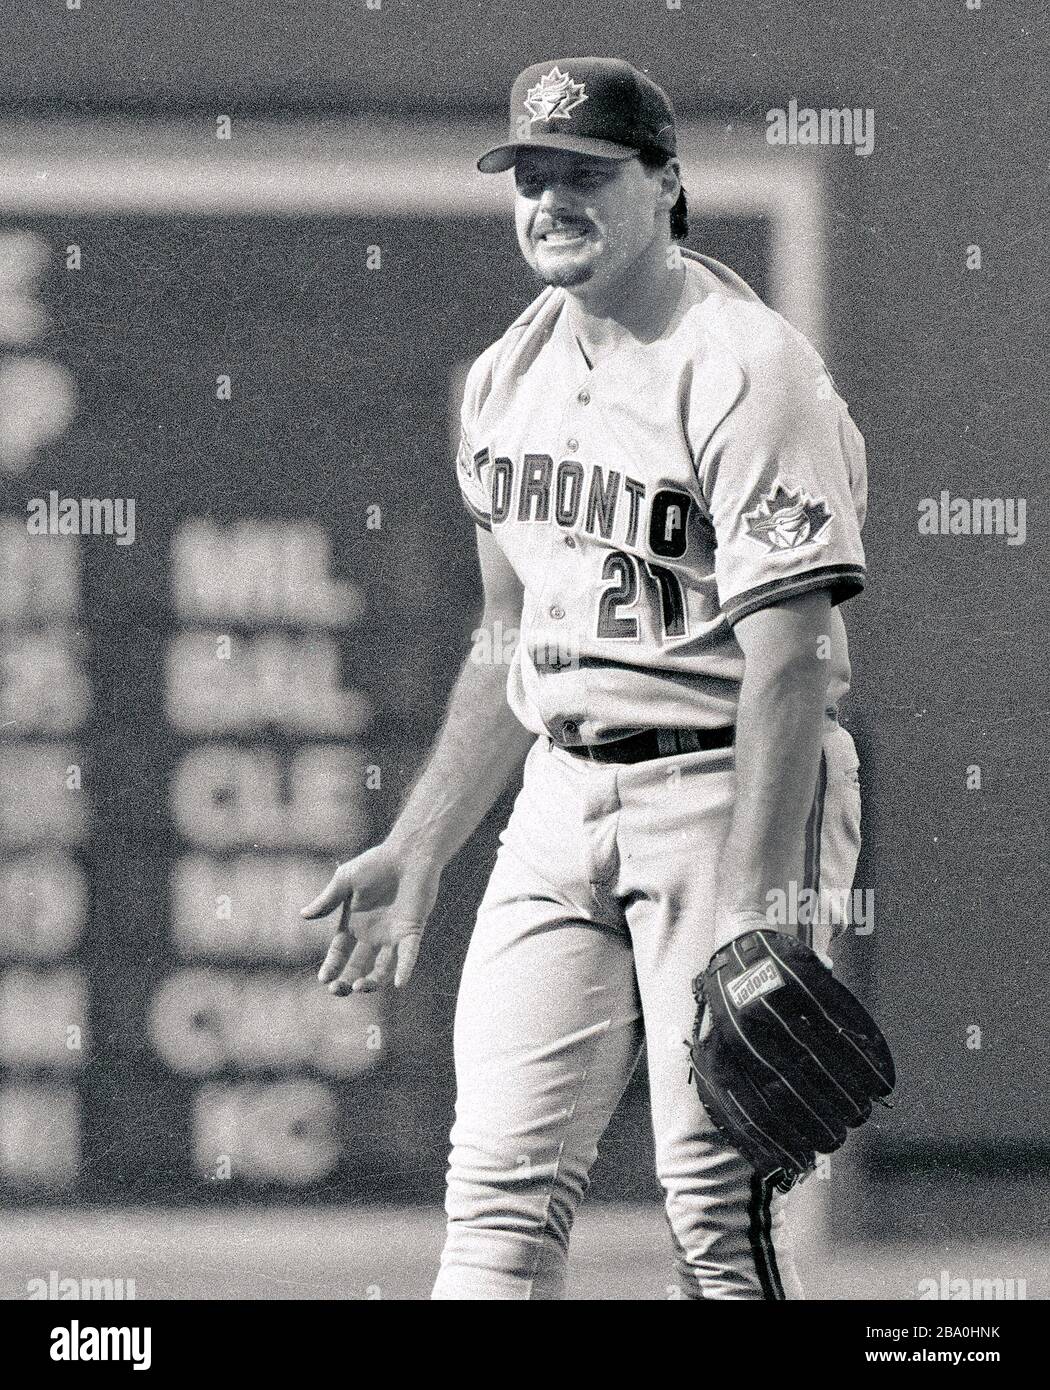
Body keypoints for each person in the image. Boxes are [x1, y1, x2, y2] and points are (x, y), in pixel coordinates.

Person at [301, 56, 869, 1300]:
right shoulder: (506, 379)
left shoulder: (748, 368)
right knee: (496, 1205)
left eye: (586, 174)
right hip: (563, 797)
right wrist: (425, 840)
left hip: (726, 786)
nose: (551, 200)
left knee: (721, 1221)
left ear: (667, 186)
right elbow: (509, 633)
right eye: (532, 176)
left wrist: (755, 907)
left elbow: (789, 662)